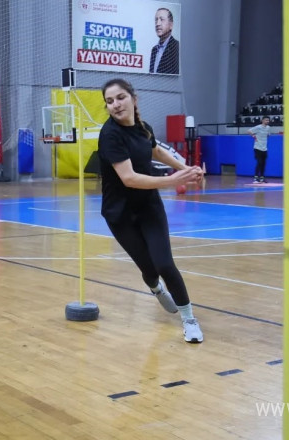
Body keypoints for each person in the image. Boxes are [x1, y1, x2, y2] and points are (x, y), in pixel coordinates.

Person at [98, 78, 204, 343]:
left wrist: (185, 168)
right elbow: (129, 178)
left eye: (120, 97)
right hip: (120, 214)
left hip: (148, 207)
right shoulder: (110, 134)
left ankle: (189, 318)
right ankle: (155, 288)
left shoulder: (143, 128)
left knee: (165, 263)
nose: (115, 105)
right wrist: (174, 181)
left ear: (134, 99)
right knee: (149, 269)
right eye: (109, 101)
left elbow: (155, 150)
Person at [149, 8, 180, 74]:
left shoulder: (177, 47)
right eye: (156, 20)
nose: (158, 24)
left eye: (162, 19)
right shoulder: (154, 50)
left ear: (171, 25)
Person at [248, 116, 270, 183]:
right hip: (257, 148)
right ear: (262, 120)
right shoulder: (258, 127)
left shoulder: (268, 128)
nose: (267, 121)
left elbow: (268, 135)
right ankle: (256, 177)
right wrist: (253, 136)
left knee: (264, 163)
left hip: (264, 148)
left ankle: (262, 178)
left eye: (268, 120)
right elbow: (249, 131)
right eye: (266, 120)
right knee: (259, 162)